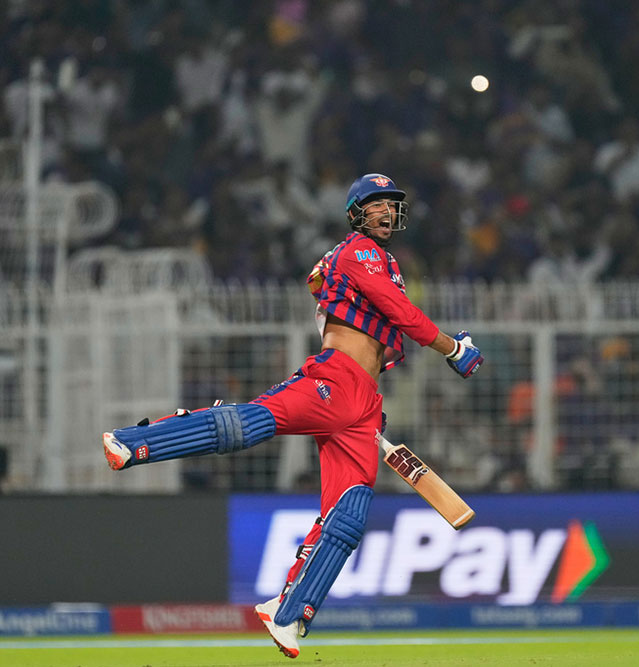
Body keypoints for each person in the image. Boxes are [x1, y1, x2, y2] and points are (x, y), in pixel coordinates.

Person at [101, 173, 483, 659]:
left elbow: (375, 328)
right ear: (355, 213)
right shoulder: (359, 252)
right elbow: (397, 309)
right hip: (337, 377)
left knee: (349, 513)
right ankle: (135, 443)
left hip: (362, 398)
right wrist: (452, 349)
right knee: (250, 425)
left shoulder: (373, 261)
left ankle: (288, 611)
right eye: (376, 205)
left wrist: (371, 409)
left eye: (392, 205)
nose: (386, 213)